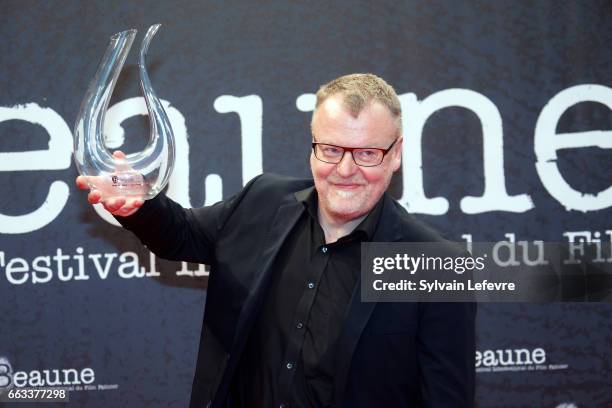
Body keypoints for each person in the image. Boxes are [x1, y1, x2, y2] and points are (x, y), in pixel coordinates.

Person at [77, 73, 476, 408]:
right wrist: (140, 205)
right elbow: (181, 235)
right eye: (331, 149)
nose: (346, 170)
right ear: (312, 147)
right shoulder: (264, 203)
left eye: (367, 153)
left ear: (396, 154)